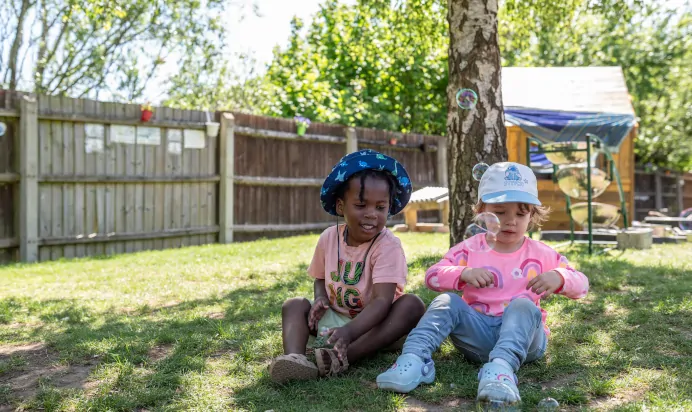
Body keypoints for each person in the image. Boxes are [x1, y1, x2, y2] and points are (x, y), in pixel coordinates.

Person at [376, 162, 589, 405]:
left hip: (526, 342)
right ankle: (413, 360)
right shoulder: (471, 248)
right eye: (500, 212)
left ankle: (501, 370)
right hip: (477, 338)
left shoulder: (543, 253)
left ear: (532, 215)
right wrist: (463, 273)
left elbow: (581, 285)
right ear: (482, 210)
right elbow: (432, 276)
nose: (510, 221)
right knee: (447, 301)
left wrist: (561, 278)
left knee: (522, 305)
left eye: (521, 213)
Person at [269, 149, 426, 384]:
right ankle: (295, 360)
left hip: (376, 325)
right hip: (334, 321)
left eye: (380, 207)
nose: (372, 215)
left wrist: (350, 332)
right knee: (294, 305)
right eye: (361, 205)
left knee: (412, 304)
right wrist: (320, 298)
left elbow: (383, 301)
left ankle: (342, 357)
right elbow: (320, 277)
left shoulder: (388, 246)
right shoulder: (328, 238)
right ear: (341, 206)